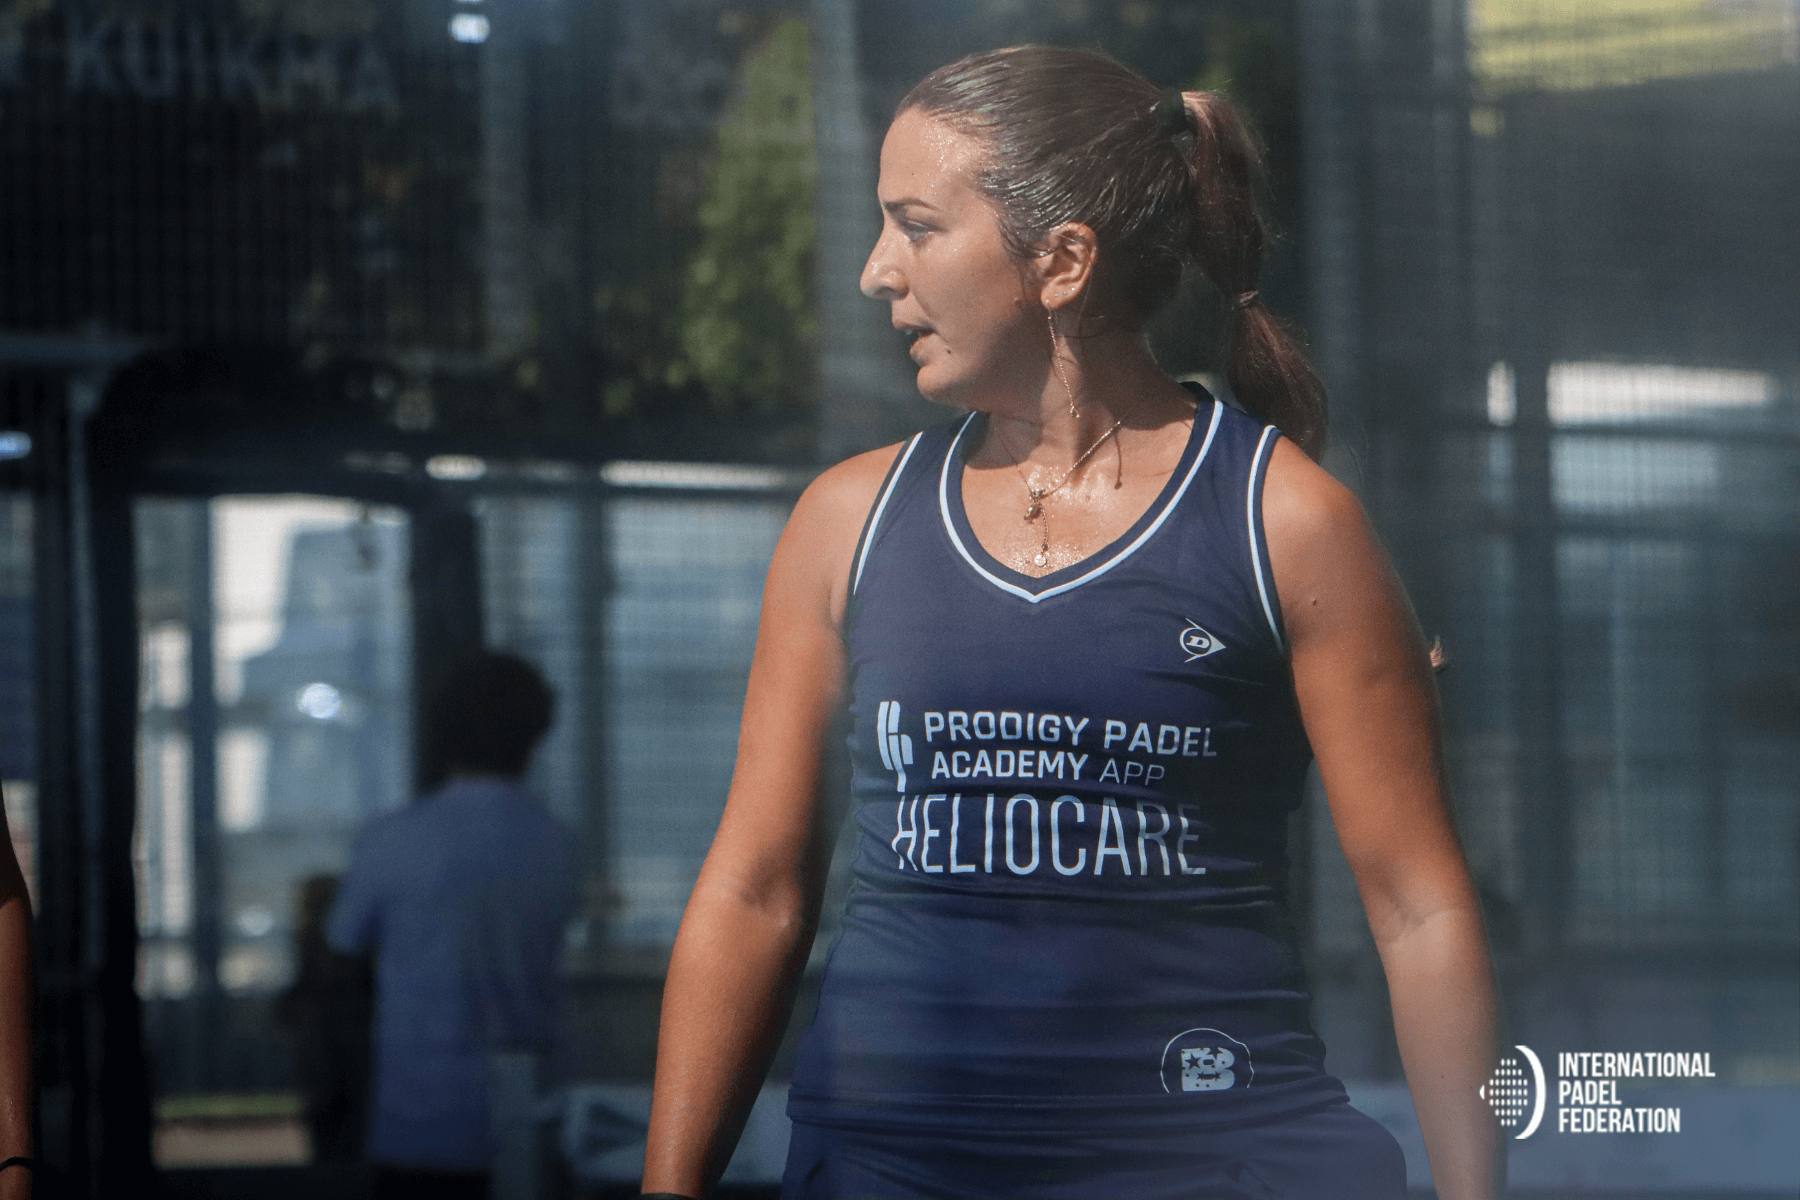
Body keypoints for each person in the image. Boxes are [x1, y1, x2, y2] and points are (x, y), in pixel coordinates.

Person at [643, 46, 1499, 1200]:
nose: (875, 272)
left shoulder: (1288, 520)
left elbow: (1418, 907)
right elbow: (755, 891)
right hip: (888, 1167)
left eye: (916, 227)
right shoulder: (844, 522)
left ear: (1060, 261)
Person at [329, 650, 578, 1200]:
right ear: (536, 733)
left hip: (418, 1111)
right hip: (527, 1106)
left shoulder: (390, 839)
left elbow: (344, 943)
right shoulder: (558, 843)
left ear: (437, 733)